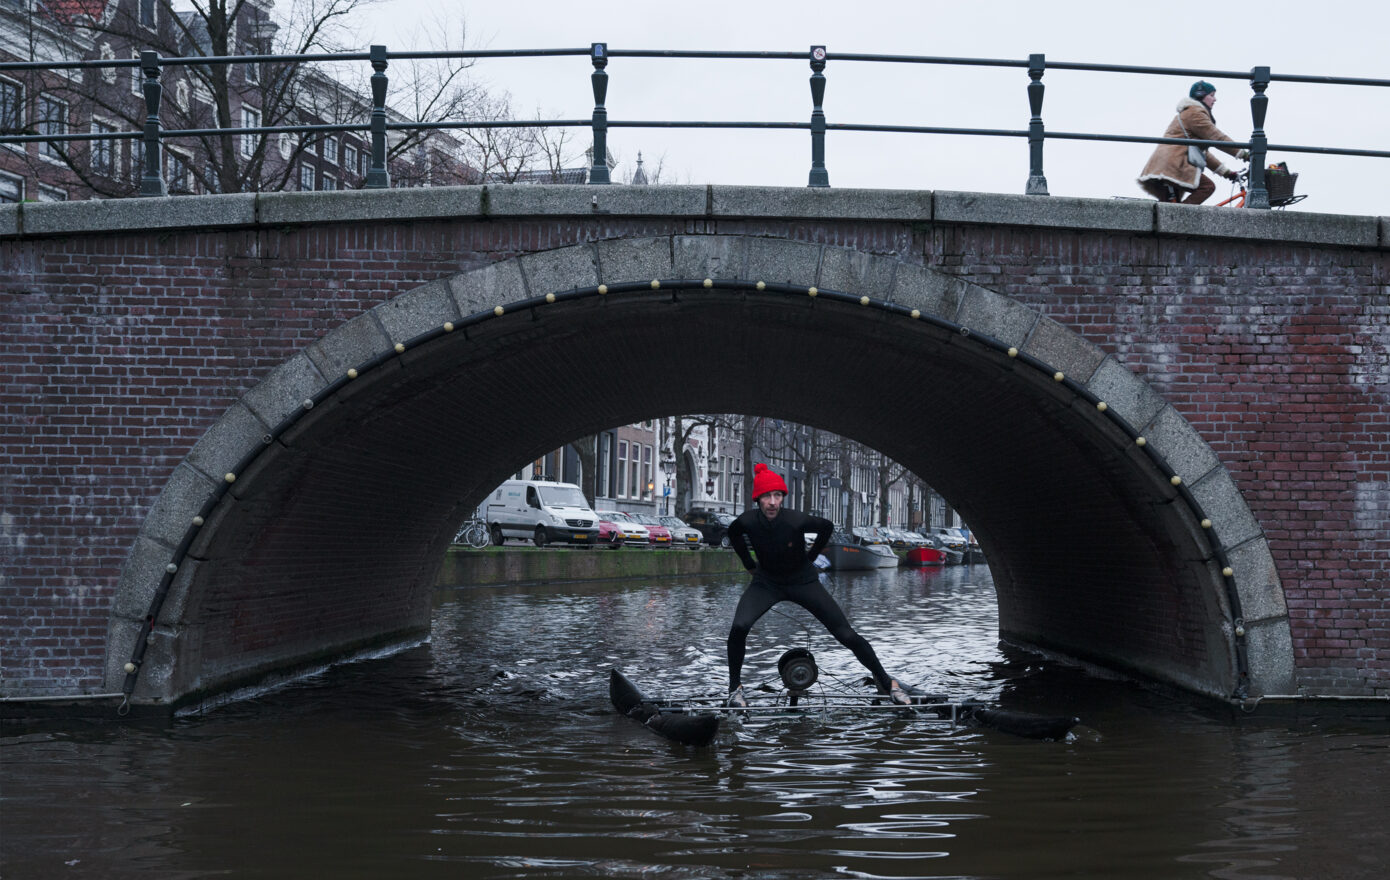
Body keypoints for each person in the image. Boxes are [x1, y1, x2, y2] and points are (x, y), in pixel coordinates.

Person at [723, 463, 910, 707]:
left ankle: (887, 683)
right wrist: (749, 563)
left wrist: (809, 558)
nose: (772, 502)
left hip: (803, 582)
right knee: (739, 627)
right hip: (767, 583)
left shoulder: (795, 520)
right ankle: (734, 689)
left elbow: (826, 527)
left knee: (846, 634)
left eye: (777, 496)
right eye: (766, 496)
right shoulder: (747, 520)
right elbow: (733, 534)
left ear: (782, 498)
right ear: (758, 499)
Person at [1137, 81, 1250, 205]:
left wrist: (1226, 172)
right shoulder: (1194, 113)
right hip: (1173, 164)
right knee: (1207, 187)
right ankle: (1182, 216)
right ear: (1201, 95)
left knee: (1168, 210)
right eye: (1211, 95)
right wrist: (1243, 154)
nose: (1215, 99)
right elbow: (1217, 137)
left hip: (1164, 165)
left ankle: (1178, 218)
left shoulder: (1190, 113)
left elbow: (1202, 153)